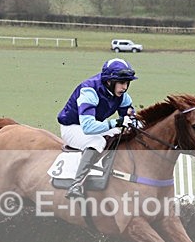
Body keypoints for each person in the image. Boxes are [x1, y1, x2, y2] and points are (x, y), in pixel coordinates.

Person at [56, 58, 139, 199]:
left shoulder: (122, 96)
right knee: (97, 142)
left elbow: (130, 117)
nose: (125, 87)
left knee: (119, 134)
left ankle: (111, 172)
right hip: (73, 127)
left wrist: (136, 124)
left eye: (127, 83)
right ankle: (76, 185)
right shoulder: (89, 90)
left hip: (94, 125)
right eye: (121, 83)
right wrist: (117, 122)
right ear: (109, 81)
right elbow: (88, 127)